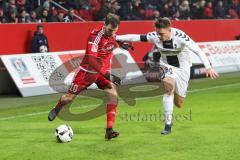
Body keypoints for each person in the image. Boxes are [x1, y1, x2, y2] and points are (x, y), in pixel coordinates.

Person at [116, 17, 218, 135]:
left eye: (161, 34)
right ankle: (168, 124)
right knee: (168, 89)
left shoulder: (181, 37)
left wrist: (208, 67)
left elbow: (198, 51)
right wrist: (117, 37)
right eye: (158, 33)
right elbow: (137, 37)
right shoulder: (155, 36)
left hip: (183, 69)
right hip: (166, 66)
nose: (159, 36)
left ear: (169, 30)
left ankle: (175, 91)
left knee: (179, 104)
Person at [48, 13, 121, 140]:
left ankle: (109, 130)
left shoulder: (113, 34)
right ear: (104, 25)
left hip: (101, 75)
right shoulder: (95, 36)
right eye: (109, 30)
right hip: (87, 73)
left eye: (114, 30)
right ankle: (58, 106)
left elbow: (113, 41)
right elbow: (92, 60)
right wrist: (109, 75)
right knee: (69, 98)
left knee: (113, 96)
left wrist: (123, 44)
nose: (111, 33)